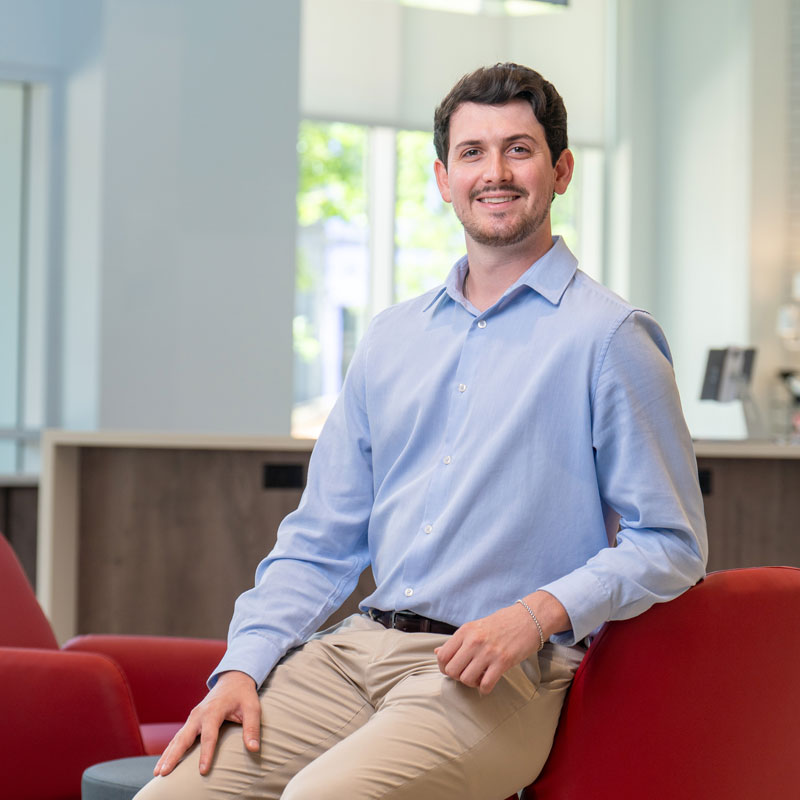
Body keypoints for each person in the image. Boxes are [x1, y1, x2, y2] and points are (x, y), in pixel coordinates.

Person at [136, 63, 707, 800]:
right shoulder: (390, 338)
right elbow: (321, 540)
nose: (494, 172)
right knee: (171, 796)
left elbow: (674, 543)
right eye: (472, 152)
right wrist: (243, 665)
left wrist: (535, 616)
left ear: (560, 170)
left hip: (498, 676)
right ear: (443, 178)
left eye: (519, 149)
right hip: (352, 656)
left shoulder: (610, 337)